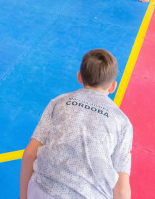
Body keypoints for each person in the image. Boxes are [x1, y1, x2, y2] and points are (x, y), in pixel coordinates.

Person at [20, 49, 132, 199]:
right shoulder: (123, 122)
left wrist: (24, 196)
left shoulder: (59, 102)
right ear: (113, 86)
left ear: (79, 76)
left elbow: (30, 154)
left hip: (42, 190)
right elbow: (121, 189)